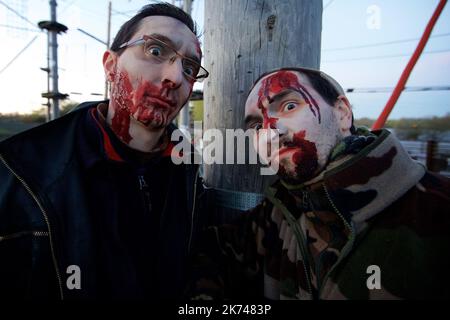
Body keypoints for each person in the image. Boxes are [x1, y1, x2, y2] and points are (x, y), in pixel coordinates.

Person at [0, 2, 209, 299]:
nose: (175, 78)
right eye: (156, 51)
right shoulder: (18, 173)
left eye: (189, 67)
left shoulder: (190, 174)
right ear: (111, 66)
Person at [193, 67, 450, 300]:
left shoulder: (435, 209)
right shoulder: (277, 214)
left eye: (289, 106)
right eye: (257, 126)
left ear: (342, 114)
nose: (271, 133)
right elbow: (210, 252)